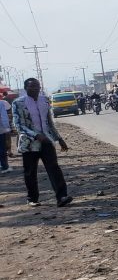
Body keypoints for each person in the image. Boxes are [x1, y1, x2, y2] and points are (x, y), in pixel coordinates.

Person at [12, 79, 72, 208]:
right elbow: (18, 125)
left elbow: (49, 122)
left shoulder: (44, 100)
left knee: (54, 169)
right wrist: (36, 135)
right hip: (29, 143)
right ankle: (32, 199)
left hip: (47, 141)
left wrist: (59, 139)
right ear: (25, 88)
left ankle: (61, 197)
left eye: (37, 86)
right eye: (32, 86)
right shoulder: (18, 103)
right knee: (30, 172)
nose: (35, 89)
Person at [0, 96, 11, 173]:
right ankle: (4, 166)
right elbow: (4, 117)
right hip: (1, 129)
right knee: (2, 148)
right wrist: (7, 127)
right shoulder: (1, 103)